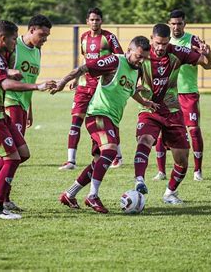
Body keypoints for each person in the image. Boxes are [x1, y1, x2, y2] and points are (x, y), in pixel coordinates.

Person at [53, 36, 155, 213]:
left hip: (113, 120)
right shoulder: (115, 61)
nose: (142, 61)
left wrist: (145, 102)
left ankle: (69, 194)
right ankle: (92, 196)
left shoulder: (136, 70)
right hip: (98, 114)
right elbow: (84, 67)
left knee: (99, 161)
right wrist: (63, 82)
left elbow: (129, 90)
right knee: (110, 151)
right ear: (129, 51)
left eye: (145, 57)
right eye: (139, 56)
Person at [0, 20, 55, 220]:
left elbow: (2, 72)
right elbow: (5, 84)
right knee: (11, 158)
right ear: (2, 38)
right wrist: (37, 87)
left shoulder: (4, 54)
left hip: (0, 114)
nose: (16, 42)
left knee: (22, 154)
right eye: (14, 39)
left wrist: (11, 73)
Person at [134, 24, 211, 204]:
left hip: (172, 110)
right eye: (157, 43)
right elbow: (124, 67)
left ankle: (170, 192)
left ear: (169, 41)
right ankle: (139, 180)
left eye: (164, 43)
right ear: (151, 39)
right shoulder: (142, 54)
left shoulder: (178, 52)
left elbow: (208, 65)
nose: (160, 47)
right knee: (145, 140)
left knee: (182, 159)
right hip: (149, 108)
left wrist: (207, 54)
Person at [60, 7, 124, 171]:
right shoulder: (83, 38)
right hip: (84, 85)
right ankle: (71, 161)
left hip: (102, 86)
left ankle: (117, 156)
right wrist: (75, 78)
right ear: (87, 21)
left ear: (101, 21)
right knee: (76, 120)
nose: (94, 22)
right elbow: (86, 60)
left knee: (105, 120)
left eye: (97, 19)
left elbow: (120, 59)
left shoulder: (109, 37)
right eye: (92, 19)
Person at [154, 9, 206, 182]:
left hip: (188, 92)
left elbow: (206, 63)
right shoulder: (163, 42)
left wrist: (206, 54)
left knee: (193, 129)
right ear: (169, 24)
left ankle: (197, 170)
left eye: (179, 23)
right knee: (162, 131)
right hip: (168, 94)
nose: (176, 27)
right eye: (173, 23)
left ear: (185, 23)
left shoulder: (193, 40)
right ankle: (161, 171)